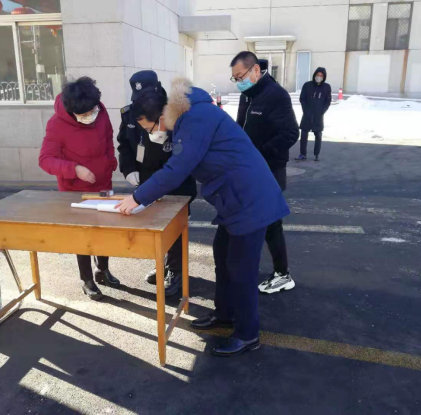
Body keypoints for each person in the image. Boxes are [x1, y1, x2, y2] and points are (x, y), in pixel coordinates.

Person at [115, 78, 290, 357]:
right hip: (234, 200)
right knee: (222, 256)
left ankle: (247, 335)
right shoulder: (189, 117)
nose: (152, 134)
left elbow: (177, 168)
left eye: (149, 128)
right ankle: (225, 314)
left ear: (160, 116)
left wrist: (137, 198)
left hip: (250, 200)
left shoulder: (195, 118)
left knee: (242, 271)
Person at [117, 70, 197, 297]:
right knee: (155, 228)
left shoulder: (176, 113)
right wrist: (129, 170)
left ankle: (176, 272)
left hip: (176, 181)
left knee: (175, 231)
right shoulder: (131, 114)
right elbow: (124, 145)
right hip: (146, 182)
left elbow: (181, 160)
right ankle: (164, 265)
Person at [39, 77, 119, 301]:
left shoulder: (100, 111)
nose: (90, 115)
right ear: (72, 111)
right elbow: (45, 160)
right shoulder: (57, 123)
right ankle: (87, 280)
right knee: (82, 236)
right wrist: (74, 169)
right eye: (84, 114)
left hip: (103, 184)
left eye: (92, 110)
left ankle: (103, 270)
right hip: (75, 190)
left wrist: (110, 162)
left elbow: (108, 138)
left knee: (104, 231)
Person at [230, 51, 299, 295]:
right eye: (235, 78)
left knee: (270, 222)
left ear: (256, 70)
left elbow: (290, 133)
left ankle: (282, 274)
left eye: (241, 76)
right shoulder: (247, 95)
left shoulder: (276, 95)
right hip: (248, 169)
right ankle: (255, 268)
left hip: (269, 169)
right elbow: (241, 127)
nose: (239, 82)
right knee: (255, 220)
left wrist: (260, 153)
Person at [297, 67, 331, 162]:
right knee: (304, 133)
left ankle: (316, 154)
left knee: (318, 134)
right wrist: (305, 110)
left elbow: (327, 101)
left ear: (324, 77)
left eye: (321, 76)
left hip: (318, 115)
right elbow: (302, 98)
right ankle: (303, 154)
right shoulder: (307, 85)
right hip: (307, 114)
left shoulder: (326, 87)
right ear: (314, 75)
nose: (319, 77)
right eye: (317, 75)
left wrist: (322, 111)